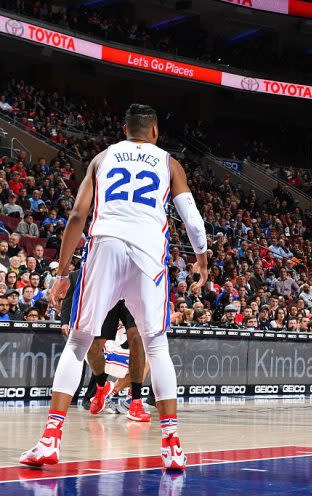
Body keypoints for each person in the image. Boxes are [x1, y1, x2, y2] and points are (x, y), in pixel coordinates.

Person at [20, 104, 208, 471]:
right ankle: (170, 445)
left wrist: (61, 272)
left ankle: (49, 441)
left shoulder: (102, 158)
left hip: (105, 245)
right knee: (156, 345)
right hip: (148, 253)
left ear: (125, 129)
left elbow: (77, 216)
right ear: (154, 132)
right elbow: (191, 216)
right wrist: (200, 258)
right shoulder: (169, 163)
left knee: (78, 342)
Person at [60, 270, 150, 422]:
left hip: (130, 290)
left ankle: (135, 401)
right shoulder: (83, 271)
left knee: (138, 343)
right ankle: (102, 387)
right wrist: (66, 320)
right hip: (106, 294)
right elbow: (70, 299)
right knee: (93, 348)